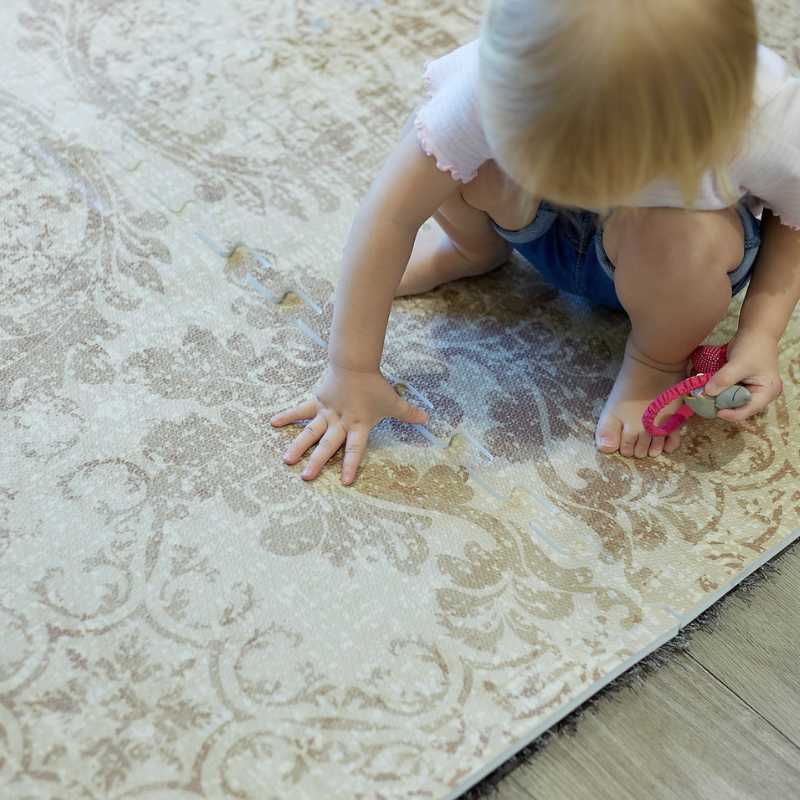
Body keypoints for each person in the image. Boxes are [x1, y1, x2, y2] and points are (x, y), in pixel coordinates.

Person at [271, 0, 800, 485]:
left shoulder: (762, 115)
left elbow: (794, 215)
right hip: (529, 223)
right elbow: (389, 213)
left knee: (684, 239)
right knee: (448, 160)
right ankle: (473, 251)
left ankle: (655, 360)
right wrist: (352, 368)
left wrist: (759, 334)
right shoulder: (497, 79)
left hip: (666, 270)